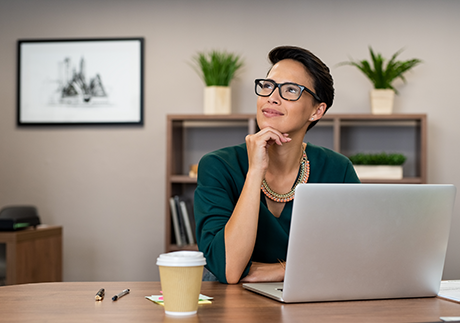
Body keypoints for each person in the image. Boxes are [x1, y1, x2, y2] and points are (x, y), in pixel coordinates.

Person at [194, 46, 360, 284]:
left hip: (310, 299)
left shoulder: (337, 169)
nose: (272, 97)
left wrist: (280, 270)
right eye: (267, 86)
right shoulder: (217, 166)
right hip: (233, 306)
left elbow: (355, 256)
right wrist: (255, 172)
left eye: (291, 89)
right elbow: (230, 269)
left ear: (317, 110)